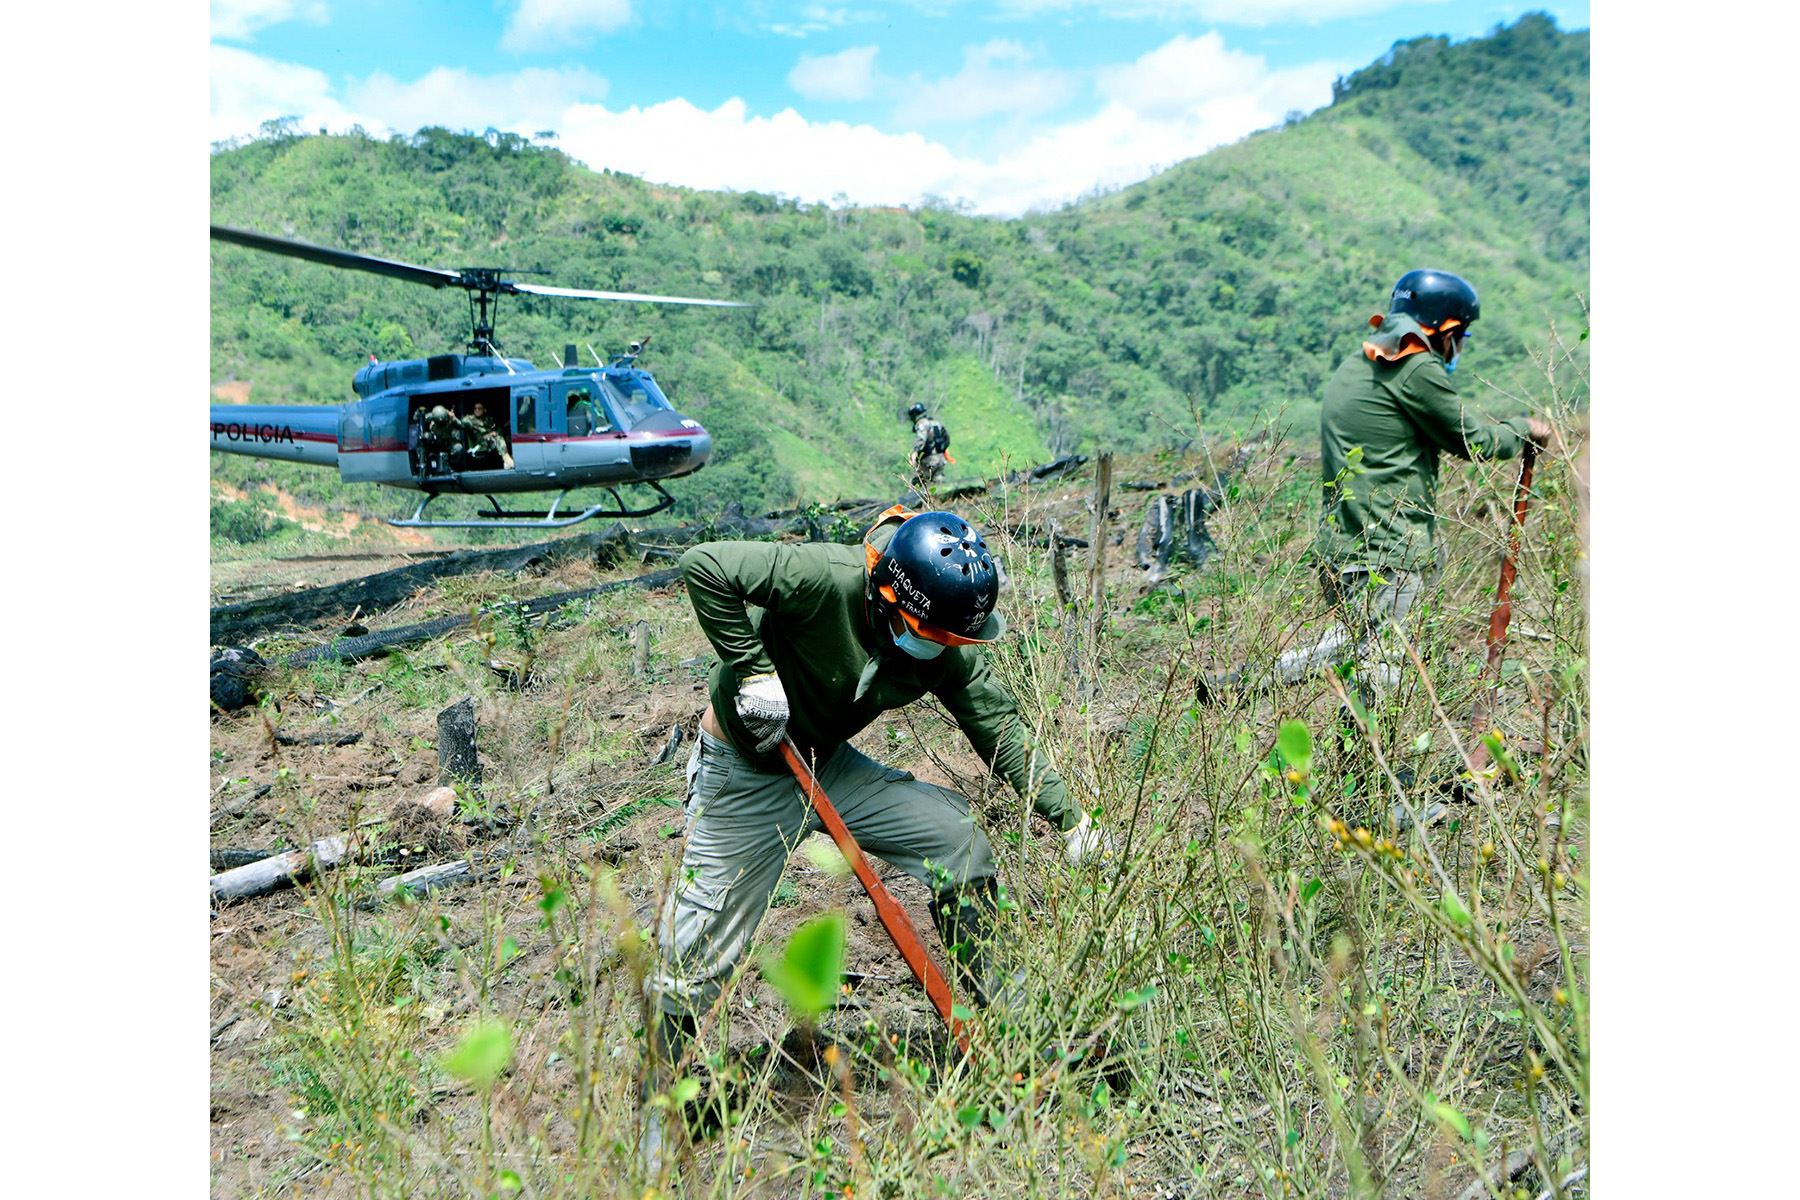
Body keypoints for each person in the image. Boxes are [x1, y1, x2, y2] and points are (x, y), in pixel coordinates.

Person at [640, 506, 1106, 1172]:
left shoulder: (942, 640)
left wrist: (1071, 818)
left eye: (949, 639)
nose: (938, 649)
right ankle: (663, 1109)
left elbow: (997, 725)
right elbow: (705, 565)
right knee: (695, 952)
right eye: (929, 635)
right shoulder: (824, 578)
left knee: (957, 837)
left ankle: (1007, 1017)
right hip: (745, 771)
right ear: (888, 598)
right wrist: (749, 671)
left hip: (825, 761)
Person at [1199, 269, 1549, 713]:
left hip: (1343, 546)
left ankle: (1246, 684)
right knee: (1382, 664)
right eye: (1462, 337)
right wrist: (1523, 430)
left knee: (1356, 642)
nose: (1460, 348)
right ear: (1446, 330)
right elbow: (1473, 440)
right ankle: (1364, 769)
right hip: (1388, 547)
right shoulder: (1415, 366)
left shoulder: (1357, 363)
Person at [458, 401, 513, 470]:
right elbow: (463, 423)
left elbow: (494, 428)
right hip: (477, 446)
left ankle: (507, 458)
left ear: (484, 410)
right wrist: (488, 435)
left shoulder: (487, 420)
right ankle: (506, 458)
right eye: (475, 408)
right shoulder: (470, 420)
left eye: (479, 408)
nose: (477, 410)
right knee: (497, 438)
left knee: (499, 433)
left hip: (488, 444)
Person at [909, 402, 951, 489]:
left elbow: (921, 439)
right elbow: (946, 439)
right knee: (939, 485)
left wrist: (915, 453)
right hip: (941, 460)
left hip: (929, 460)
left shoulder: (922, 424)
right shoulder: (936, 423)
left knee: (917, 484)